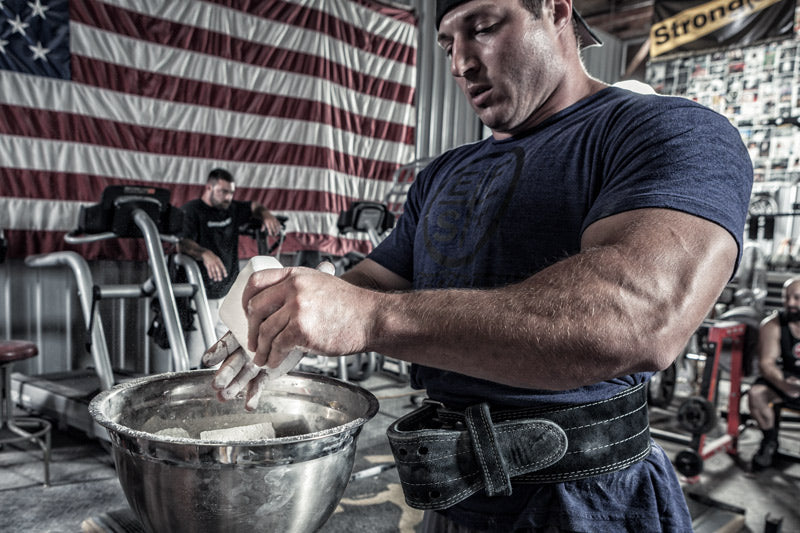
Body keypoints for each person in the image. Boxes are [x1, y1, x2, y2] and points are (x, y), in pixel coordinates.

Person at [203, 0, 754, 530]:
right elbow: (375, 279)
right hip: (451, 499)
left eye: (484, 27)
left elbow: (635, 319)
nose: (460, 62)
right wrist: (295, 310)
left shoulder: (667, 131)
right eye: (448, 42)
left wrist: (370, 319)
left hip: (585, 501)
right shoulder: (444, 173)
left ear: (557, 10)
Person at [178, 168, 282, 367]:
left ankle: (218, 394)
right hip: (202, 294)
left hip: (227, 291)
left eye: (231, 192)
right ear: (209, 187)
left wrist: (266, 214)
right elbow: (181, 242)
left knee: (222, 351)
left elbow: (254, 206)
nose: (228, 197)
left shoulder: (231, 209)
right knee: (196, 356)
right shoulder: (191, 211)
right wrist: (204, 253)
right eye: (223, 192)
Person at [748, 277, 800, 471]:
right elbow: (766, 363)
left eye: (797, 298)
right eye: (787, 298)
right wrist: (785, 384)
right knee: (756, 393)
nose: (790, 303)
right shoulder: (773, 324)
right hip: (785, 379)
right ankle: (769, 441)